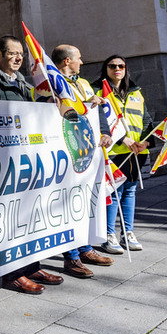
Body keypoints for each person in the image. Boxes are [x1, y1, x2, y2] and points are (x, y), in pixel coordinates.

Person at [0, 36, 63, 294]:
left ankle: (32, 266)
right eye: (13, 53)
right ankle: (12, 274)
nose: (19, 58)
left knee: (29, 216)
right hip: (2, 161)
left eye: (21, 54)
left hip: (25, 157)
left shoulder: (21, 82)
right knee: (9, 220)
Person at [50, 45, 115, 279]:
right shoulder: (52, 84)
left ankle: (86, 248)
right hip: (68, 151)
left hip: (88, 149)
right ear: (67, 61)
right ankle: (72, 257)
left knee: (86, 200)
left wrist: (105, 132)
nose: (82, 62)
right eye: (79, 58)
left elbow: (96, 111)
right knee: (68, 205)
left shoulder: (83, 83)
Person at [92, 55, 152, 254]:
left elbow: (146, 120)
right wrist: (121, 139)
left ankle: (128, 233)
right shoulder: (98, 91)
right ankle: (109, 235)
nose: (117, 69)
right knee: (113, 193)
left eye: (121, 66)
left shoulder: (136, 92)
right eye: (112, 66)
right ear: (106, 68)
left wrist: (145, 142)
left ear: (126, 69)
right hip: (113, 152)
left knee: (130, 192)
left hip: (135, 152)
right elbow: (98, 122)